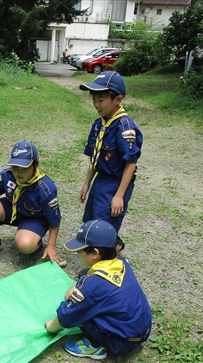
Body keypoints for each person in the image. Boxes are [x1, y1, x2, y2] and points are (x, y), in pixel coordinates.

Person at [44, 220, 152, 360]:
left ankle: (93, 345)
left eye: (80, 251)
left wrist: (51, 326)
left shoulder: (92, 285)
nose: (78, 255)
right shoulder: (122, 263)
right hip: (142, 329)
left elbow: (66, 315)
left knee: (79, 309)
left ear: (95, 253)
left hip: (121, 342)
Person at [77, 71, 143, 274]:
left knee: (104, 224)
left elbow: (130, 164)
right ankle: (111, 248)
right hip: (100, 180)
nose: (96, 104)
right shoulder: (99, 124)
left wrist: (119, 196)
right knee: (92, 219)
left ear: (118, 99)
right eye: (94, 99)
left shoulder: (125, 128)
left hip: (116, 183)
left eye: (101, 99)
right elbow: (94, 158)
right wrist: (87, 183)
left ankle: (107, 264)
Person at [0, 140, 66, 266]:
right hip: (12, 209)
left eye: (24, 168)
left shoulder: (46, 189)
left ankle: (36, 242)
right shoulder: (8, 175)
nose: (19, 172)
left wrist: (51, 245)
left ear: (35, 164)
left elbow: (55, 221)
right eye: (15, 167)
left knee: (25, 246)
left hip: (34, 219)